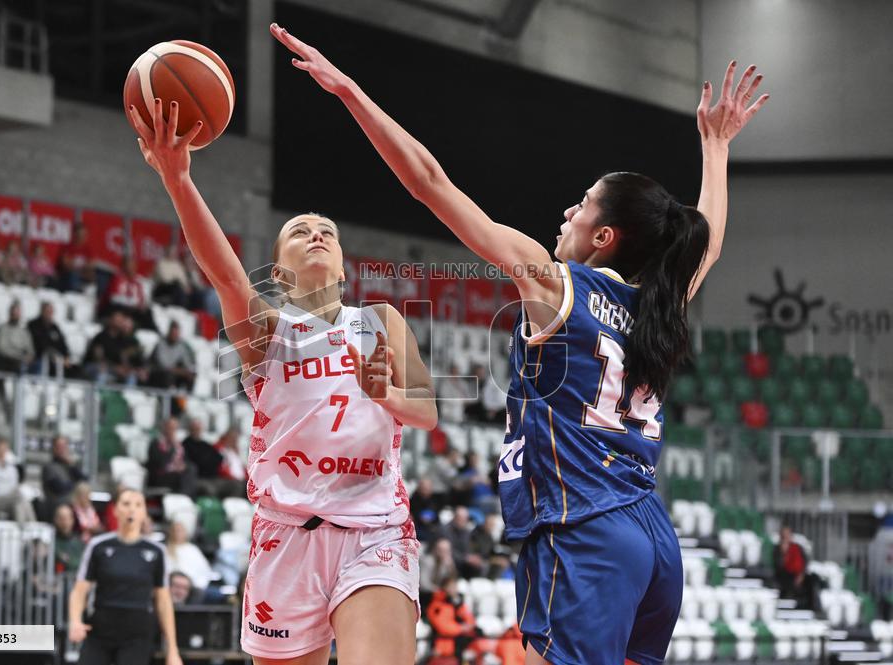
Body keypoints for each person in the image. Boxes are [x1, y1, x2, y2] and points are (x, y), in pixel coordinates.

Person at [274, 25, 768, 665]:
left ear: (604, 237)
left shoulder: (555, 285)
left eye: (584, 205)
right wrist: (716, 146)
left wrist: (350, 93)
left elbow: (431, 183)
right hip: (652, 537)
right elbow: (711, 243)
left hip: (583, 527)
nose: (569, 212)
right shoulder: (657, 306)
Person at [129, 88, 437, 664]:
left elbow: (427, 411)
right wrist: (177, 180)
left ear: (343, 266)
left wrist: (385, 391)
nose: (317, 234)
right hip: (285, 532)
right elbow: (224, 274)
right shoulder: (269, 332)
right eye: (300, 231)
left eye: (328, 232)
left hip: (374, 529)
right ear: (279, 270)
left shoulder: (381, 321)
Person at [69, 488, 182, 665]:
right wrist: (75, 621)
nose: (132, 509)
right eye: (126, 504)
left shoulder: (156, 551)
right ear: (116, 510)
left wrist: (173, 650)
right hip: (101, 628)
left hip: (137, 632)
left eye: (138, 505)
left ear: (144, 512)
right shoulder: (98, 546)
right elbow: (80, 589)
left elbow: (163, 601)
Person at [83, 311, 148, 385]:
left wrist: (128, 369)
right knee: (102, 372)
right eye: (117, 320)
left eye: (121, 320)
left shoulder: (123, 339)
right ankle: (97, 394)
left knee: (131, 375)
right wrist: (115, 368)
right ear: (111, 320)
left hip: (113, 368)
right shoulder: (101, 337)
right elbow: (99, 359)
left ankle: (128, 395)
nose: (120, 322)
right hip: (94, 366)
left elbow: (124, 358)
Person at [0, 438, 35, 523]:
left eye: (5, 449)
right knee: (21, 496)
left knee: (19, 504)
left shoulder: (12, 469)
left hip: (11, 498)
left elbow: (14, 485)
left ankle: (25, 527)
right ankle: (32, 524)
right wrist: (5, 491)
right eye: (1, 448)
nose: (3, 451)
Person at [165, 521, 222, 603]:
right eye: (176, 530)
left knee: (215, 593)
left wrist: (195, 584)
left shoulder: (193, 549)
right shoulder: (166, 550)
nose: (178, 533)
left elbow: (205, 570)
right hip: (173, 584)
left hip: (194, 585)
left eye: (181, 530)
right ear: (171, 532)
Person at [426, 576, 478, 663]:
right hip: (443, 650)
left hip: (459, 648)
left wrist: (465, 626)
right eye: (451, 586)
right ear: (444, 588)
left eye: (455, 586)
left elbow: (470, 621)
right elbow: (443, 627)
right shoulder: (437, 606)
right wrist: (462, 628)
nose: (454, 589)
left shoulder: (459, 604)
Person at [99, 255, 156, 330]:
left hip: (130, 310)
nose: (132, 269)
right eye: (129, 266)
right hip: (115, 308)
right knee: (117, 308)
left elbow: (141, 300)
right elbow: (113, 298)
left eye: (133, 266)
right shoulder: (116, 279)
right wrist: (132, 303)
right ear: (124, 267)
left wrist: (139, 305)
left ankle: (153, 331)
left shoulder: (137, 283)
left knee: (147, 312)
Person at [146, 417, 196, 495]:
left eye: (174, 428)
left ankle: (185, 497)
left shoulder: (179, 446)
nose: (172, 431)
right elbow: (161, 464)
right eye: (170, 428)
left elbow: (184, 460)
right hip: (160, 476)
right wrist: (171, 447)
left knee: (191, 468)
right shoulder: (156, 444)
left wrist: (183, 466)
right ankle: (185, 497)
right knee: (185, 476)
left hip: (176, 473)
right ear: (164, 428)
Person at [41, 435, 87, 521]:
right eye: (59, 446)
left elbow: (84, 480)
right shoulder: (49, 467)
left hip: (73, 504)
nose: (62, 449)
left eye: (64, 446)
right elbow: (58, 488)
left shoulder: (70, 466)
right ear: (54, 448)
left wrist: (72, 465)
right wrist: (75, 485)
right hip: (57, 505)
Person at [148, 321, 196, 391]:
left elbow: (188, 364)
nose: (175, 335)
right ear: (169, 332)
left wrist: (186, 371)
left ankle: (187, 399)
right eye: (173, 333)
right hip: (158, 373)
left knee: (190, 376)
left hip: (174, 373)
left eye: (177, 333)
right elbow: (163, 365)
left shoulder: (181, 346)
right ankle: (168, 399)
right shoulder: (161, 344)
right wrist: (179, 371)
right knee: (167, 375)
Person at [28, 301, 71, 375]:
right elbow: (38, 344)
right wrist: (52, 355)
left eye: (51, 312)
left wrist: (66, 356)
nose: (49, 314)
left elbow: (62, 343)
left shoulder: (54, 327)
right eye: (47, 311)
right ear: (42, 311)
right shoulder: (33, 325)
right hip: (39, 358)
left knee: (70, 367)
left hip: (56, 359)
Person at [0, 301, 35, 373]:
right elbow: (2, 349)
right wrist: (19, 357)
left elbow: (30, 349)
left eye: (17, 313)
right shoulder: (3, 329)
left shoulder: (24, 331)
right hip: (8, 360)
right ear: (10, 314)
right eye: (13, 313)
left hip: (23, 360)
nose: (15, 315)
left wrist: (29, 356)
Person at [773, 525, 810, 607]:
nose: (786, 537)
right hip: (784, 576)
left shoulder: (797, 548)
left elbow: (804, 563)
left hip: (798, 576)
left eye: (787, 534)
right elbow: (778, 566)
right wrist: (784, 553)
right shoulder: (777, 549)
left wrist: (801, 575)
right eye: (784, 535)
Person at [419, 537, 457, 608]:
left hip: (440, 593)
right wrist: (439, 590)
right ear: (435, 550)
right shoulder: (427, 561)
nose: (443, 553)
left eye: (446, 551)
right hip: (426, 595)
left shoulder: (448, 562)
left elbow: (452, 581)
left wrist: (450, 567)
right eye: (441, 550)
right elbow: (423, 584)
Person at [54, 503, 86, 574]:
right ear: (55, 520)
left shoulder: (80, 543)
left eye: (67, 517)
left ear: (72, 520)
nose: (64, 522)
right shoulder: (50, 543)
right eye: (61, 518)